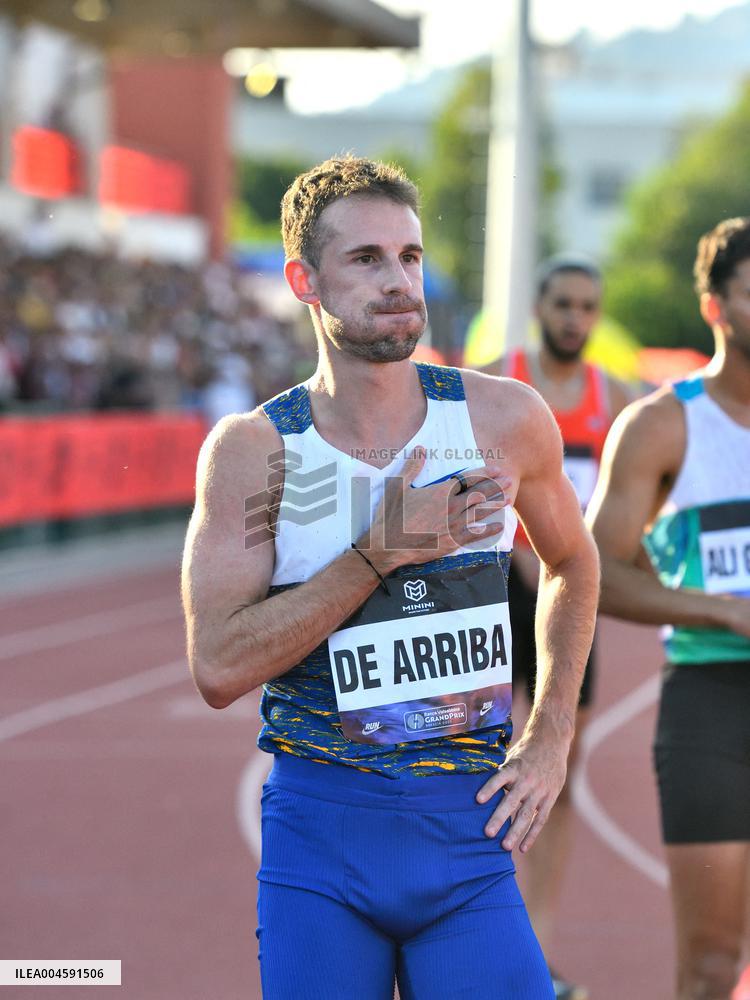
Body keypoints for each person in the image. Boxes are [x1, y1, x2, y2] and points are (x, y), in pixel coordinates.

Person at [181, 155, 600, 999]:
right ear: (305, 280)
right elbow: (218, 668)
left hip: (468, 835)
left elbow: (573, 562)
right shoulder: (256, 453)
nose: (399, 281)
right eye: (365, 260)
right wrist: (380, 550)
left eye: (408, 256)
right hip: (320, 845)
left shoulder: (501, 420)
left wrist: (552, 732)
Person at [586, 217, 750, 1000]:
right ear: (715, 307)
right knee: (713, 961)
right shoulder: (661, 425)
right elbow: (594, 572)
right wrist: (718, 610)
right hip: (712, 708)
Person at [482, 256, 630, 999]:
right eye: (563, 303)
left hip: (570, 599)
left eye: (587, 306)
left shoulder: (617, 399)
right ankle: (481, 930)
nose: (575, 317)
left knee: (557, 779)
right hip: (496, 588)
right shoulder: (493, 383)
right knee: (477, 768)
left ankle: (536, 946)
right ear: (538, 305)